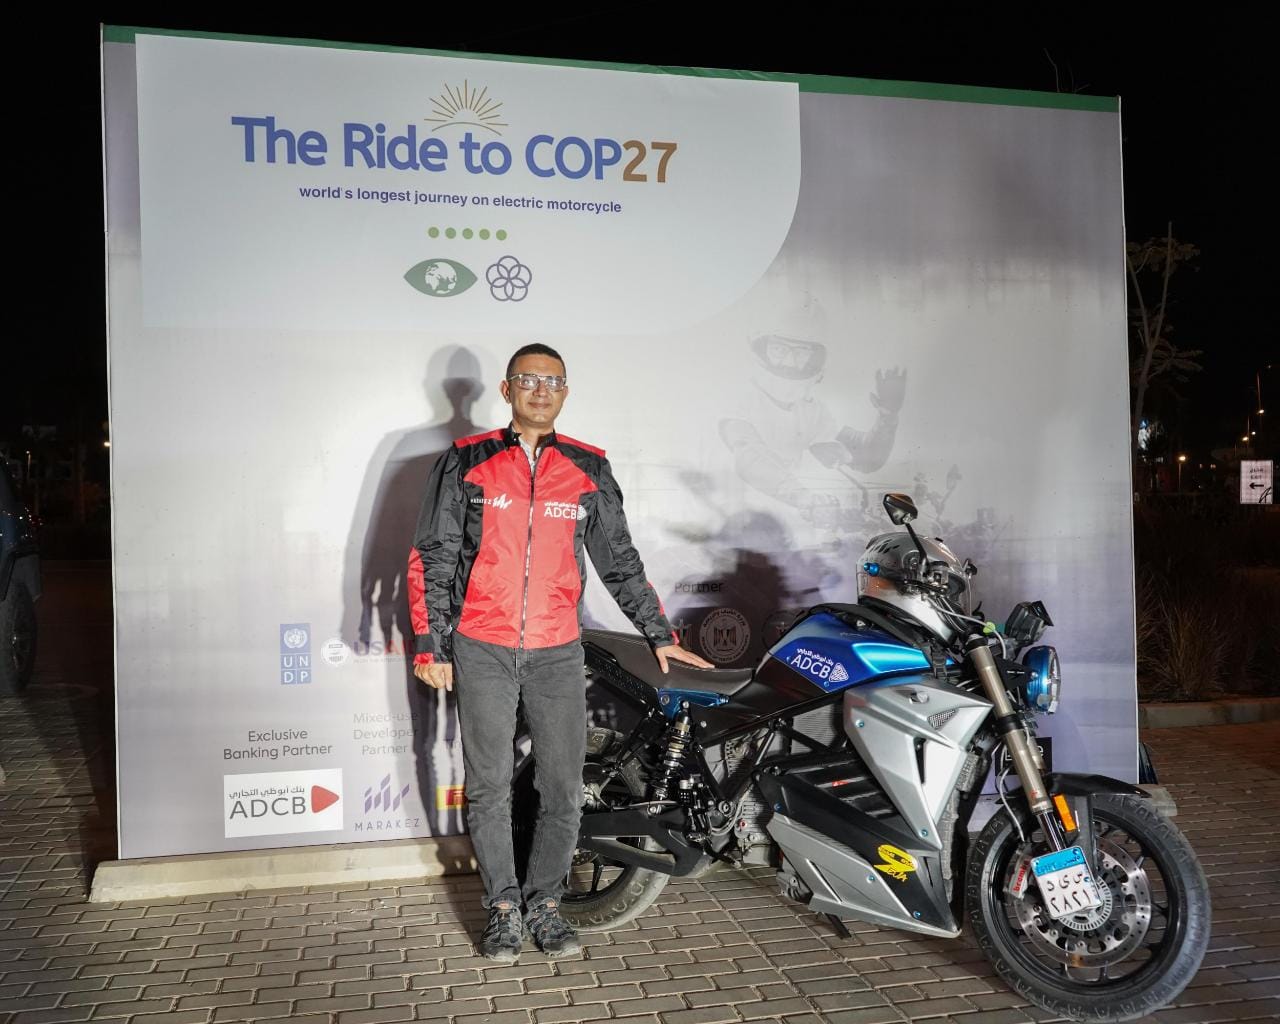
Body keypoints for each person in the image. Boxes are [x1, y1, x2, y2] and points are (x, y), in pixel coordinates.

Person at [407, 342, 711, 961]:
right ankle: (502, 909)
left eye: (552, 382)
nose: (540, 390)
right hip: (481, 644)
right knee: (490, 787)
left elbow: (619, 561)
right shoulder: (466, 460)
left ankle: (544, 905)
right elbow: (433, 555)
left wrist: (659, 633)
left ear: (565, 393)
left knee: (564, 788)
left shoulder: (588, 466)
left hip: (557, 649)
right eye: (528, 380)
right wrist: (430, 643)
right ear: (507, 389)